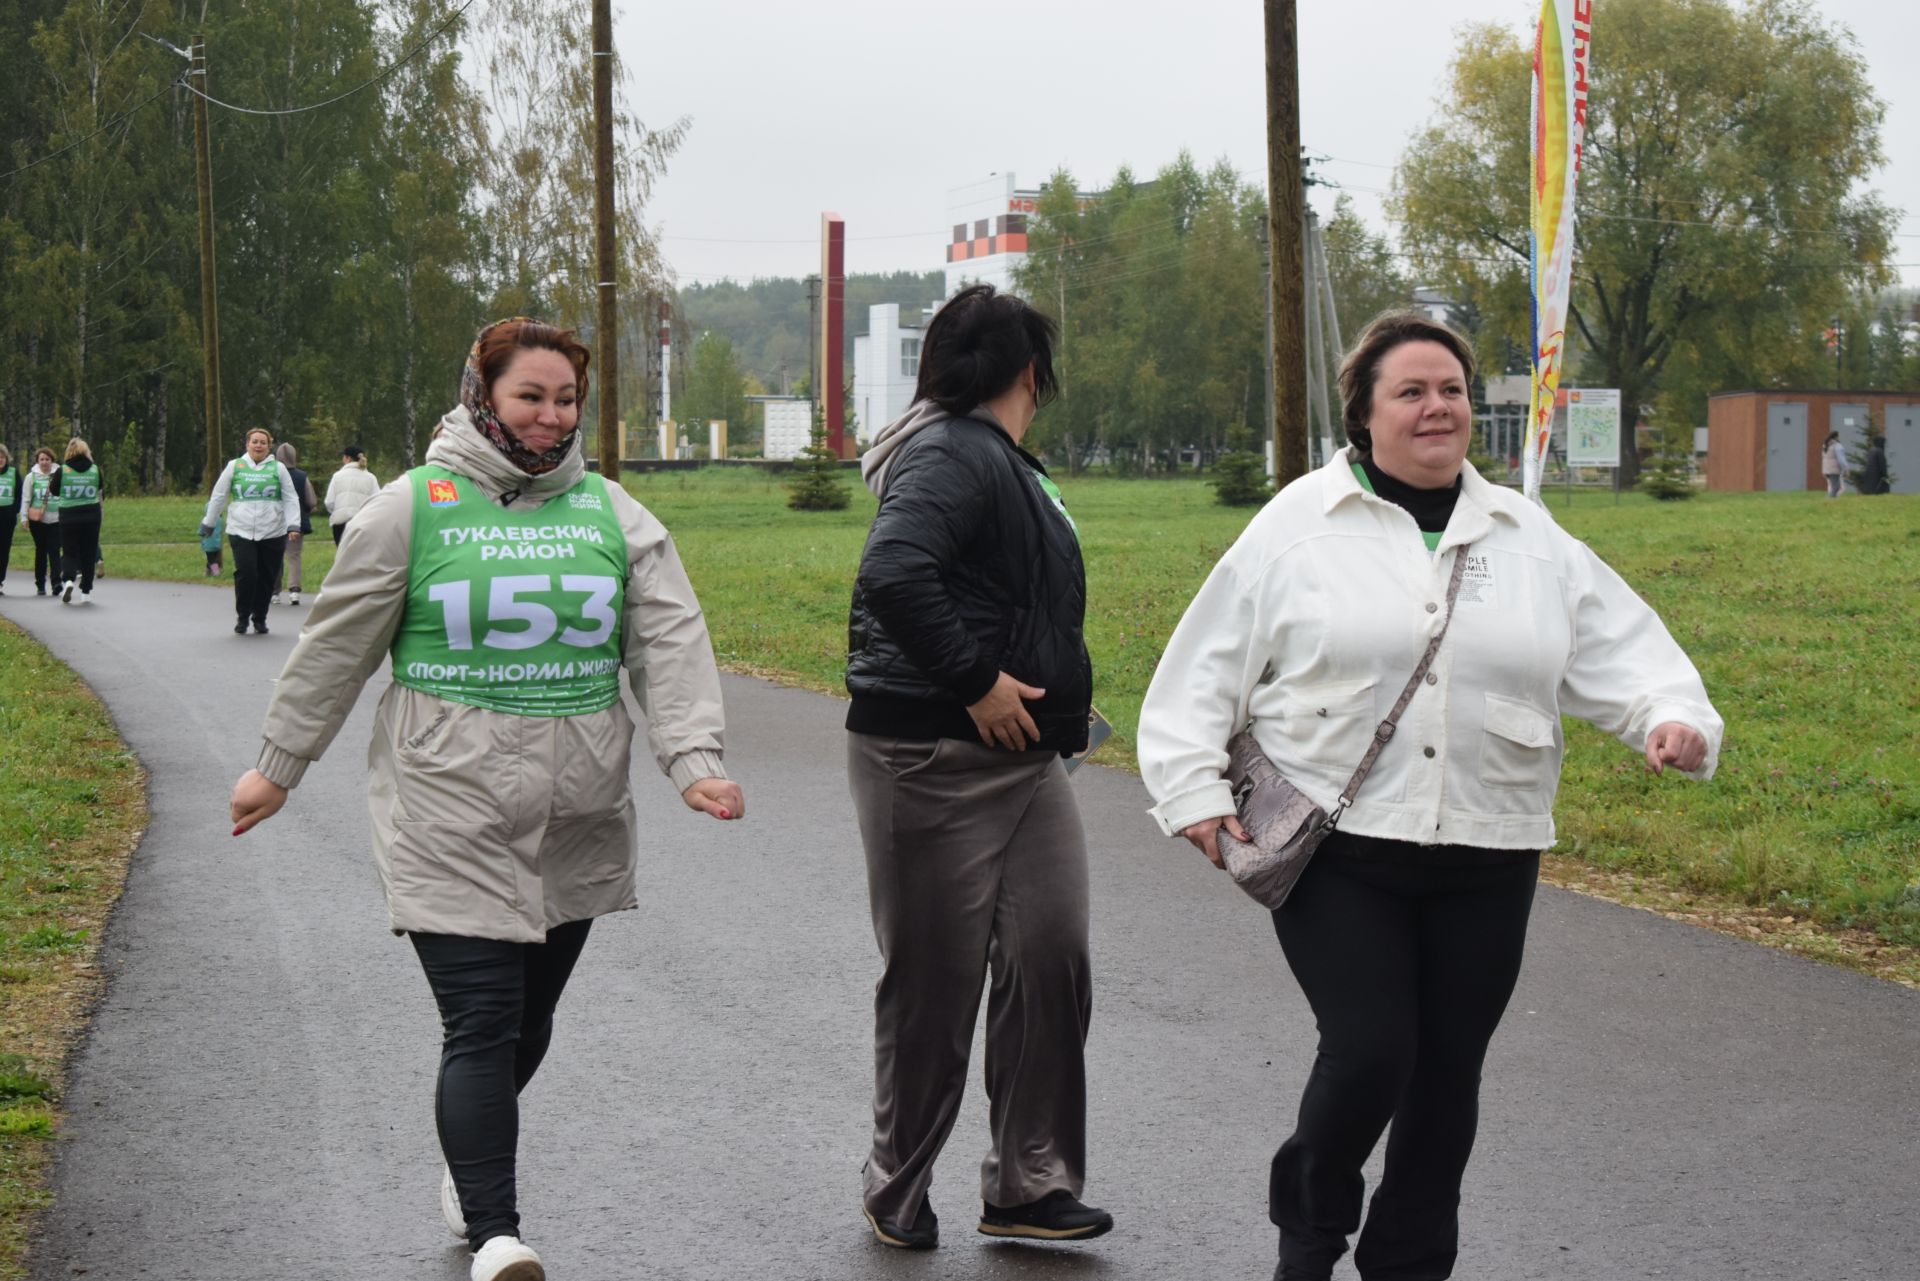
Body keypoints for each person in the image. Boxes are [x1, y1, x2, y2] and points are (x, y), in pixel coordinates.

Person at [1136, 311, 1724, 1281]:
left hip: (1490, 849)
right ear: (1364, 416)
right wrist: (1193, 789)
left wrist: (1672, 719)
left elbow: (1624, 649)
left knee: (1447, 1077)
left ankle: (1409, 1265)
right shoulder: (1298, 527)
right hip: (1341, 847)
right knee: (1371, 1051)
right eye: (1410, 391)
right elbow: (1204, 667)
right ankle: (1310, 1235)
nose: (1437, 407)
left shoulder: (1525, 534)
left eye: (1450, 389)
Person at [225, 317, 744, 1281]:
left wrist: (693, 757)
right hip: (445, 802)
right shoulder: (411, 507)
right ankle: (497, 1230)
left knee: (530, 1017)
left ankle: (466, 1168)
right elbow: (336, 643)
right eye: (529, 397)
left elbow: (667, 640)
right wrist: (279, 764)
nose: (551, 418)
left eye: (566, 401)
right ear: (482, 395)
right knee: (483, 1020)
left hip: (577, 810)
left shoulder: (610, 513)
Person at [845, 283, 1112, 1252]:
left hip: (1027, 761)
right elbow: (894, 571)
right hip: (929, 752)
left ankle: (1029, 1182)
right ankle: (896, 1180)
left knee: (1052, 958)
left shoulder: (999, 460)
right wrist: (976, 682)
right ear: (1031, 374)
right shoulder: (953, 452)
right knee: (935, 983)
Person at [201, 428, 301, 635]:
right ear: (247, 444)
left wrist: (293, 524)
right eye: (254, 441)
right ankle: (243, 616)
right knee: (247, 573)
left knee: (266, 576)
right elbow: (219, 495)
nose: (258, 445)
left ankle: (260, 617)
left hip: (273, 530)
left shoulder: (278, 468)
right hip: (241, 529)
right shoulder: (234, 466)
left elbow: (291, 498)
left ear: (269, 446)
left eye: (262, 442)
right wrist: (209, 522)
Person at [48, 438, 103, 605]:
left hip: (69, 515)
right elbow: (100, 487)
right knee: (89, 551)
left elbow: (54, 490)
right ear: (86, 452)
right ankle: (86, 590)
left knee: (70, 550)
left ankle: (69, 580)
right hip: (92, 515)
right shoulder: (95, 469)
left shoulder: (63, 470)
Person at [271, 441, 320, 605]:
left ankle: (274, 593)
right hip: (296, 523)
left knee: (275, 557)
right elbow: (311, 500)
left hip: (274, 522)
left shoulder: (272, 475)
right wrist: (306, 509)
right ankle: (294, 591)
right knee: (294, 556)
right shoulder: (301, 476)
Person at [324, 443, 380, 545]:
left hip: (340, 523)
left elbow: (329, 502)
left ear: (348, 458)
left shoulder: (337, 476)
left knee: (343, 557)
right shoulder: (371, 478)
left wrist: (336, 511)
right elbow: (377, 502)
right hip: (363, 523)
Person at [22, 447, 60, 596]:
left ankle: (56, 582)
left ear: (52, 461)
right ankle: (40, 584)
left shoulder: (59, 475)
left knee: (54, 551)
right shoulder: (31, 477)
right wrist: (24, 518)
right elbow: (26, 498)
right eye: (42, 459)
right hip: (38, 521)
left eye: (47, 459)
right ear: (38, 461)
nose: (45, 462)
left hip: (56, 519)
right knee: (41, 550)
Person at [0, 445, 19, 595]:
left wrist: (14, 511)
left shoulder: (13, 473)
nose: (0, 460)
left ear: (6, 459)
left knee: (3, 550)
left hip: (7, 518)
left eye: (2, 457)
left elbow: (20, 494)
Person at [1821, 431, 1848, 498]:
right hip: (1834, 469)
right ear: (1836, 437)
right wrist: (1845, 468)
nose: (1839, 437)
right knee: (1836, 487)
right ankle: (1830, 500)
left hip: (1827, 468)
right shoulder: (1837, 446)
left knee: (1834, 486)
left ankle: (1832, 499)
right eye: (1838, 436)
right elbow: (1841, 459)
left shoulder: (1826, 445)